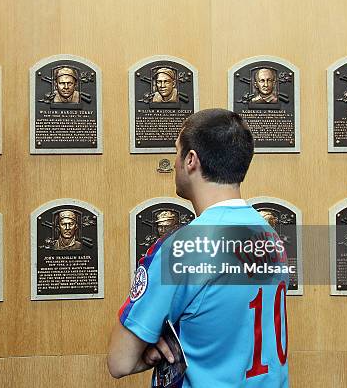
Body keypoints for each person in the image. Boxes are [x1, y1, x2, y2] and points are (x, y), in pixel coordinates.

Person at [108, 109, 289, 387]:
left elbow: (119, 361)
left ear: (191, 160)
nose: (175, 162)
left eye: (177, 152)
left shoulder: (182, 248)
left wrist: (149, 352)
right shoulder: (271, 236)